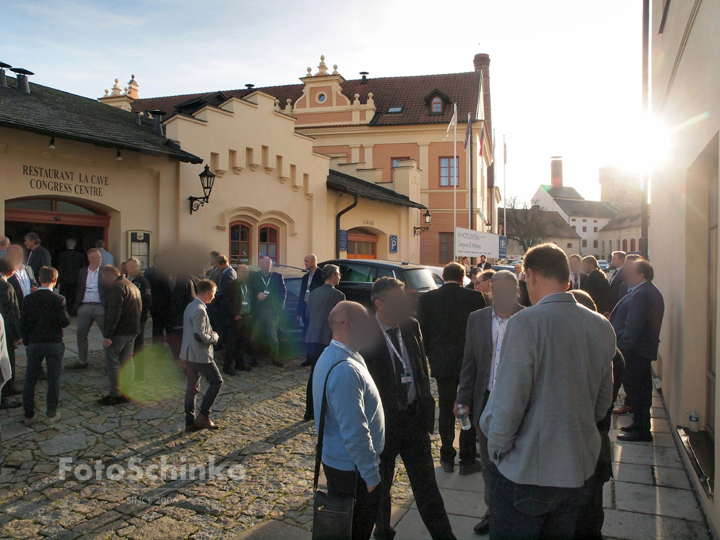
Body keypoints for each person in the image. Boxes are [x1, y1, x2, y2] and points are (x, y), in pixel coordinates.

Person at [479, 243, 615, 539]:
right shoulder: (602, 326)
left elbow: (508, 404)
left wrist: (497, 453)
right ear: (568, 279)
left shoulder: (525, 323)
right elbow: (603, 402)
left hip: (526, 474)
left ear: (530, 276)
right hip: (577, 472)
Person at [362, 277, 455, 540]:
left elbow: (418, 367)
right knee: (380, 489)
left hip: (414, 420)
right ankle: (383, 532)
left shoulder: (411, 325)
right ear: (380, 304)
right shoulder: (365, 333)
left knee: (427, 489)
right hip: (382, 425)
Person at [456, 270, 524, 536]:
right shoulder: (477, 318)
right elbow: (469, 361)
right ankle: (493, 510)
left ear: (517, 290)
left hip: (518, 402)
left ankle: (518, 509)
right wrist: (463, 398)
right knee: (488, 462)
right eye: (499, 290)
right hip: (485, 399)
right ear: (490, 291)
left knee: (517, 458)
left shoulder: (528, 317)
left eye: (509, 290)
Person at [313, 301, 384, 540]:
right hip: (352, 470)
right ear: (348, 325)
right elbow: (355, 431)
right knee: (355, 532)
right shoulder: (345, 369)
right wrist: (371, 476)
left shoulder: (334, 354)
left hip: (345, 465)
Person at [417, 262, 485, 475]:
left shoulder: (427, 298)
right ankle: (466, 458)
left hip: (442, 362)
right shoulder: (474, 297)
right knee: (467, 407)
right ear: (463, 277)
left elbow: (422, 333)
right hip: (468, 362)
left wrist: (429, 357)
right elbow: (481, 332)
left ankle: (446, 455)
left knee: (446, 408)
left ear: (444, 276)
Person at [571, 289, 624, 540]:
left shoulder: (607, 352)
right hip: (593, 435)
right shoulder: (601, 343)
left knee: (589, 507)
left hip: (593, 437)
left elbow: (602, 402)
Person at [611, 259, 664, 442]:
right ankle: (639, 425)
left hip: (635, 352)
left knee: (639, 391)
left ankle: (642, 430)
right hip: (637, 351)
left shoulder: (643, 293)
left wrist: (621, 349)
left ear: (641, 275)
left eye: (632, 271)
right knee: (638, 391)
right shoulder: (642, 290)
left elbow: (633, 326)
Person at [21, 266, 70, 426]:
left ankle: (29, 414)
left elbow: (24, 323)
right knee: (53, 379)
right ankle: (51, 413)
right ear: (55, 280)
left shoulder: (28, 299)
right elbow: (64, 322)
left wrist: (27, 341)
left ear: (39, 278)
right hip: (53, 342)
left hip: (35, 342)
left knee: (30, 379)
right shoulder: (58, 299)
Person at [303, 264, 345, 421]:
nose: (340, 277)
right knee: (330, 376)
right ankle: (325, 411)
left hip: (312, 337)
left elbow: (307, 313)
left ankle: (309, 410)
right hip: (328, 340)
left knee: (314, 374)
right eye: (339, 274)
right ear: (333, 276)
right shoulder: (338, 296)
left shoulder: (314, 293)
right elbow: (340, 320)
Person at [182, 279, 223, 432]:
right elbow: (199, 335)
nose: (214, 296)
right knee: (217, 381)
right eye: (213, 293)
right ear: (207, 293)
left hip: (188, 353)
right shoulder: (200, 309)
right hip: (199, 354)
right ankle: (203, 415)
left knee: (192, 387)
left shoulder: (191, 305)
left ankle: (190, 421)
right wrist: (214, 337)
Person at [98, 265, 141, 405]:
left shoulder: (117, 288)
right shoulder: (131, 285)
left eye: (104, 278)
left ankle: (115, 393)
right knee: (128, 362)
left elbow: (114, 313)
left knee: (112, 361)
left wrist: (107, 335)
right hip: (132, 329)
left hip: (120, 331)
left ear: (108, 276)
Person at [67, 248, 107, 370]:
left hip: (101, 306)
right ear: (90, 259)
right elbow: (79, 288)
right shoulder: (83, 272)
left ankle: (109, 362)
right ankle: (82, 361)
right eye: (96, 258)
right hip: (85, 306)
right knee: (81, 335)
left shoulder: (105, 272)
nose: (99, 260)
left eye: (100, 258)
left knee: (107, 335)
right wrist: (77, 306)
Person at [248, 257, 286, 364]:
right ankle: (253, 358)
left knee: (272, 335)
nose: (266, 268)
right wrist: (256, 295)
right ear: (260, 266)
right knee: (255, 335)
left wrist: (279, 307)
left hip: (272, 311)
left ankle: (275, 357)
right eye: (264, 266)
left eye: (268, 266)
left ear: (271, 266)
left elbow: (283, 293)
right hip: (258, 311)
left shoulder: (277, 277)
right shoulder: (254, 276)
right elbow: (249, 290)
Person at [125, 258, 152, 382]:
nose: (134, 269)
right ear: (127, 267)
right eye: (132, 267)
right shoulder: (124, 280)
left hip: (138, 319)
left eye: (136, 267)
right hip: (126, 319)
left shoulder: (142, 282)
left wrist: (142, 317)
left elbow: (147, 301)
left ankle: (139, 373)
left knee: (138, 346)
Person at [224, 264, 255, 371]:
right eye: (243, 272)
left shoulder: (249, 285)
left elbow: (252, 300)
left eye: (247, 272)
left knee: (242, 342)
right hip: (235, 318)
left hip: (246, 317)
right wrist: (234, 315)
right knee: (231, 343)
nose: (245, 274)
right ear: (237, 272)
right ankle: (227, 366)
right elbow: (227, 302)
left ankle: (240, 364)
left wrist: (251, 314)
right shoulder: (231, 285)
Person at [0, 257, 22, 409]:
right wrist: (16, 335)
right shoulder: (6, 287)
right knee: (6, 362)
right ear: (12, 272)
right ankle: (6, 390)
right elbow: (10, 313)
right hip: (4, 331)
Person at [297, 254, 324, 366]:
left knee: (316, 335)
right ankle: (308, 358)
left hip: (316, 310)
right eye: (304, 261)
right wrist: (299, 311)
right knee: (306, 334)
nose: (305, 263)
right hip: (306, 308)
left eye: (307, 261)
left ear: (313, 262)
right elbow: (301, 295)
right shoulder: (305, 277)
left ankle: (317, 358)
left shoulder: (321, 275)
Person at [169, 266, 200, 360]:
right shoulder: (196, 280)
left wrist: (173, 314)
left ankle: (183, 357)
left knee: (181, 337)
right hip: (192, 313)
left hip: (182, 315)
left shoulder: (182, 281)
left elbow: (177, 301)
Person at [145, 253, 174, 348]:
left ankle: (157, 348)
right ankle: (174, 350)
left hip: (154, 304)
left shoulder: (148, 272)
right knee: (168, 328)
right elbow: (168, 290)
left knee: (157, 327)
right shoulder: (165, 273)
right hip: (165, 305)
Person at [6, 244, 38, 311]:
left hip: (29, 308)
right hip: (14, 308)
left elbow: (34, 283)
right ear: (8, 255)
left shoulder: (28, 268)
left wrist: (36, 289)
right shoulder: (5, 270)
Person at [57, 239, 85, 316]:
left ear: (67, 245)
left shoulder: (62, 254)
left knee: (64, 296)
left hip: (65, 280)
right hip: (76, 279)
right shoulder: (79, 255)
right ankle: (73, 311)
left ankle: (64, 312)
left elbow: (61, 268)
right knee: (74, 296)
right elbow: (82, 268)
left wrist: (59, 280)